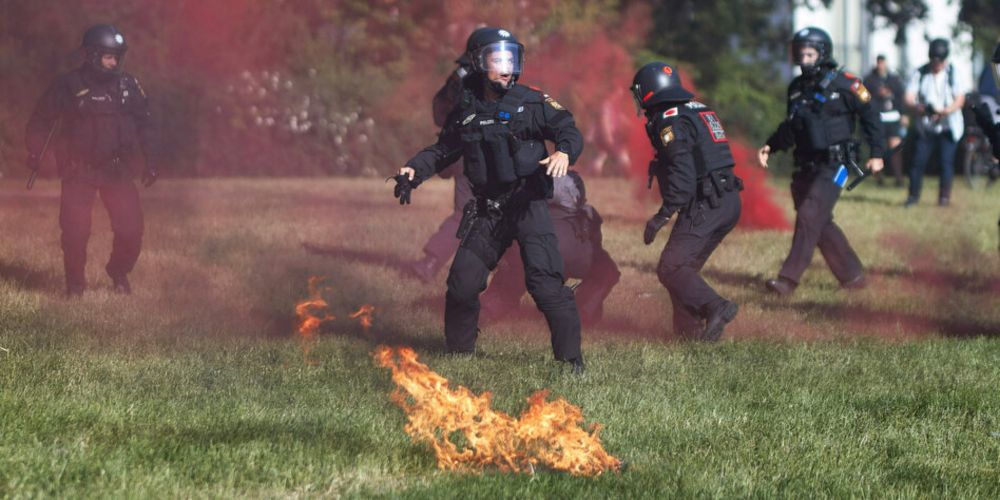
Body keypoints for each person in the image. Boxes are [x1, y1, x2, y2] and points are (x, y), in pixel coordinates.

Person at [391, 27, 586, 372]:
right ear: (479, 62)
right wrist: (413, 171)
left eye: (511, 59)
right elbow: (442, 150)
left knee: (545, 284)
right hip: (489, 211)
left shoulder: (531, 102)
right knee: (462, 284)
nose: (507, 67)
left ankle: (571, 361)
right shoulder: (465, 110)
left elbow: (567, 129)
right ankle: (459, 356)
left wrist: (565, 153)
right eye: (498, 59)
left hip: (528, 205)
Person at [25, 24, 157, 297]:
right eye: (109, 56)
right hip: (79, 169)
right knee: (75, 232)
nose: (115, 62)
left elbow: (145, 124)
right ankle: (75, 286)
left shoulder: (129, 85)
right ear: (93, 55)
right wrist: (36, 152)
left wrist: (152, 160)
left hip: (118, 169)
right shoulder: (68, 85)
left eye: (118, 56)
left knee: (131, 230)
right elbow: (40, 120)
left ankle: (118, 271)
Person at [757, 27, 884, 296]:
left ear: (823, 53)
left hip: (837, 166)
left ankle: (787, 281)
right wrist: (771, 145)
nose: (804, 58)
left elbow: (871, 116)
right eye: (800, 52)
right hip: (806, 165)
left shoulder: (846, 83)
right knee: (818, 222)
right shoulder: (795, 89)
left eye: (810, 52)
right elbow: (791, 127)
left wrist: (877, 153)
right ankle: (854, 277)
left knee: (810, 214)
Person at [630, 62, 743, 340]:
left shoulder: (669, 119)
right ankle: (688, 336)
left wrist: (663, 214)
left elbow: (683, 171)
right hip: (727, 200)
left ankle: (716, 306)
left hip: (706, 202)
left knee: (671, 267)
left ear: (648, 91)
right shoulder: (696, 109)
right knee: (683, 270)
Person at [480, 171, 620, 326]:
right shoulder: (588, 214)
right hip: (568, 261)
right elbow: (596, 251)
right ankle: (580, 316)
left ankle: (484, 313)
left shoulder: (520, 209)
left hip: (528, 259)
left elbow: (500, 240)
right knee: (606, 270)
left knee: (511, 278)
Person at [904, 38, 970, 207]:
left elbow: (960, 100)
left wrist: (945, 111)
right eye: (934, 60)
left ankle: (944, 198)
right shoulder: (920, 73)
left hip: (949, 127)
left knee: (945, 162)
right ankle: (913, 196)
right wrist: (920, 108)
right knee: (917, 162)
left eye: (940, 61)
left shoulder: (953, 73)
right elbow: (908, 98)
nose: (937, 64)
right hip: (926, 127)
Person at [864, 54, 907, 186]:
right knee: (878, 149)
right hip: (878, 118)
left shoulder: (894, 79)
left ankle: (898, 177)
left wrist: (903, 114)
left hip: (893, 117)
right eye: (879, 63)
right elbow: (865, 99)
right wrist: (877, 95)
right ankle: (879, 178)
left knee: (895, 148)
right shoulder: (869, 80)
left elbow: (901, 97)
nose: (881, 65)